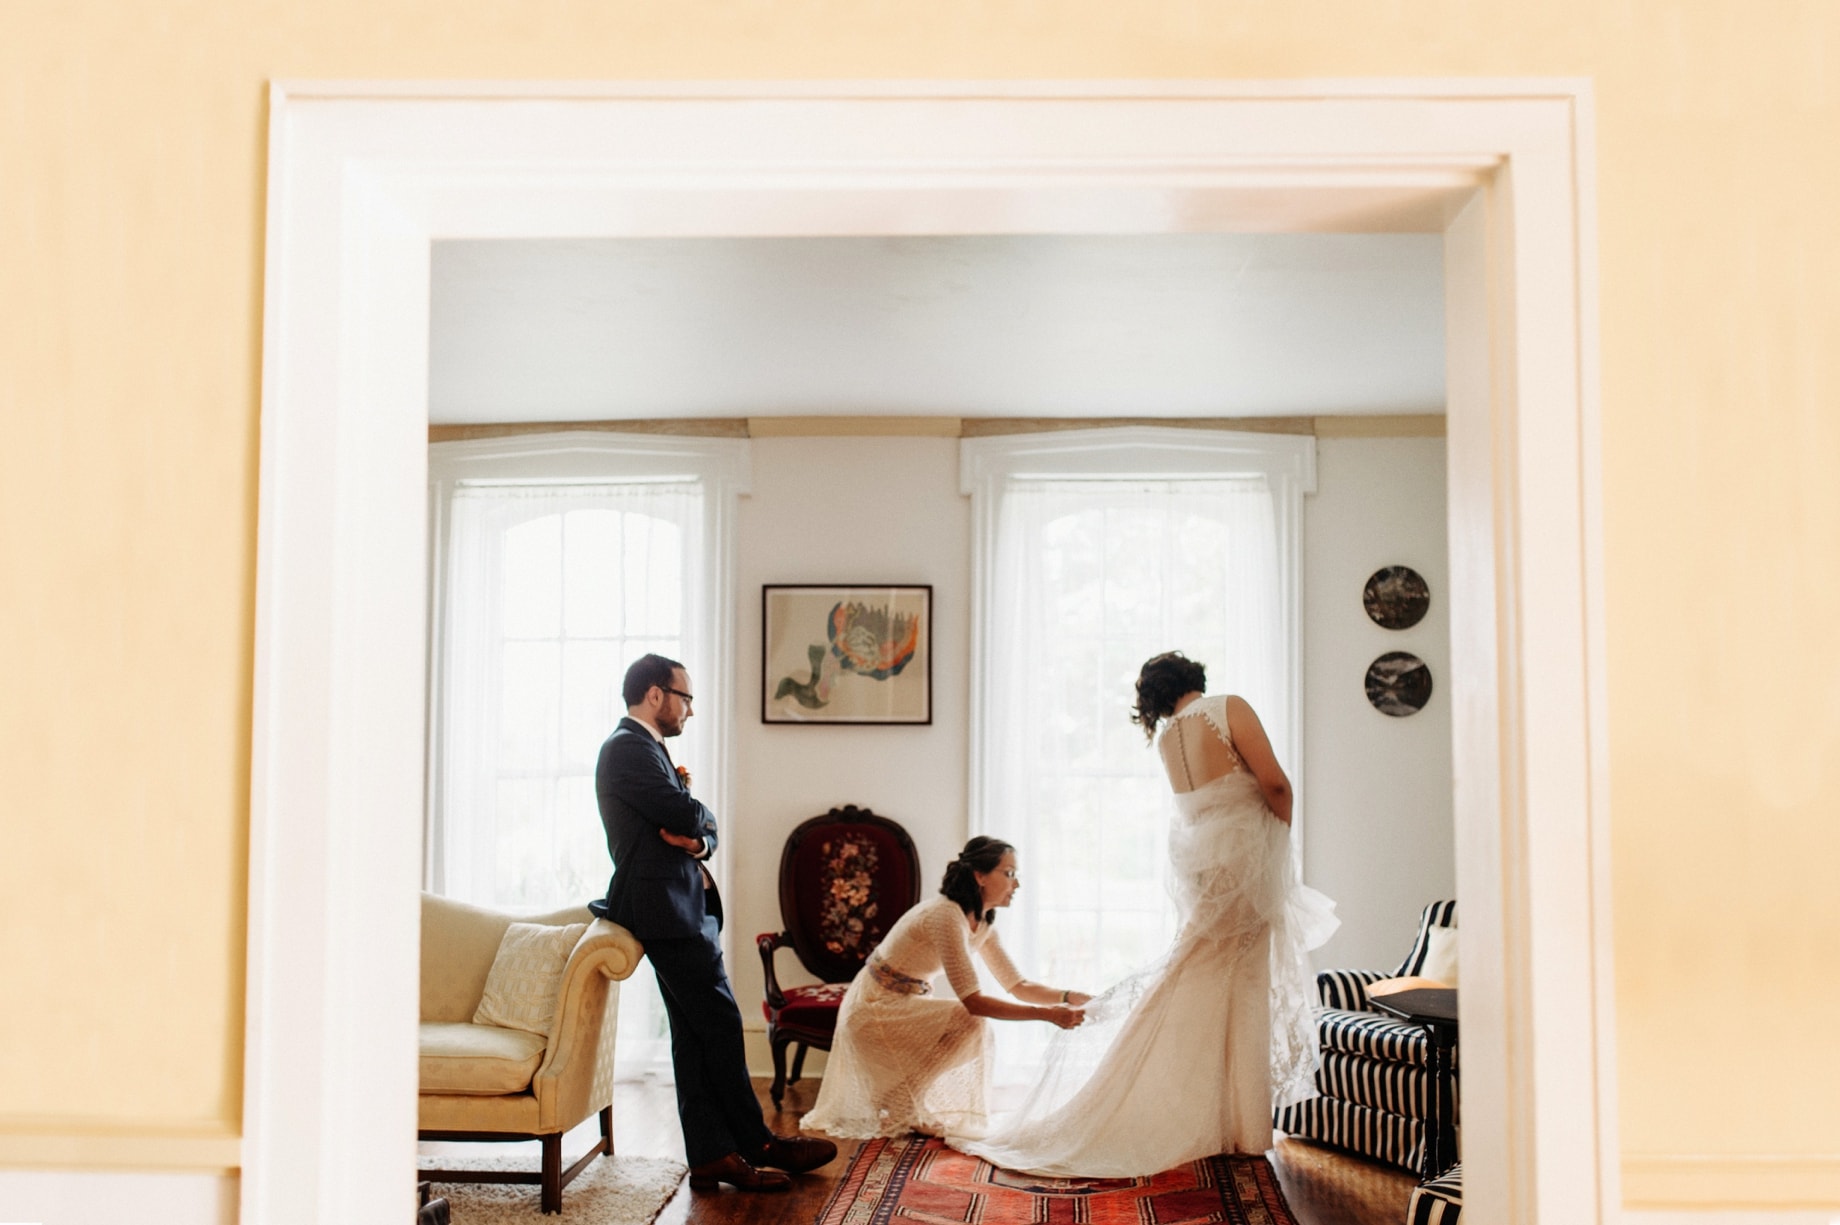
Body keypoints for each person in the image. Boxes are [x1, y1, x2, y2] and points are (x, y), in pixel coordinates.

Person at [952, 651, 1338, 1177]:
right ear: (1196, 679)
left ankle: (1227, 1123)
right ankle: (1241, 1127)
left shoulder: (1167, 740)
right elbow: (1276, 786)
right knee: (1240, 984)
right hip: (1245, 863)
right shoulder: (1228, 707)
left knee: (1206, 980)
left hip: (1205, 869)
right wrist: (1281, 838)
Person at [592, 653, 837, 1192]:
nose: (690, 710)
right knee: (720, 1025)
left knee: (696, 1034)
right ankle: (758, 1143)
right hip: (665, 912)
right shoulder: (626, 749)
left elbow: (700, 829)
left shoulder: (647, 749)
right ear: (655, 695)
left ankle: (711, 1156)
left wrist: (701, 834)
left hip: (682, 910)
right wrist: (696, 820)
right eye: (685, 697)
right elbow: (685, 814)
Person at [801, 836, 1092, 1140]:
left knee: (970, 1026)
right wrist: (1048, 1015)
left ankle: (902, 1098)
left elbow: (1019, 985)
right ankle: (903, 1100)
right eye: (1008, 873)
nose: (1015, 884)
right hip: (873, 1008)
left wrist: (1069, 997)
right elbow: (974, 1002)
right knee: (971, 1021)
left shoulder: (983, 924)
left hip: (902, 1006)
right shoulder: (945, 915)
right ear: (979, 876)